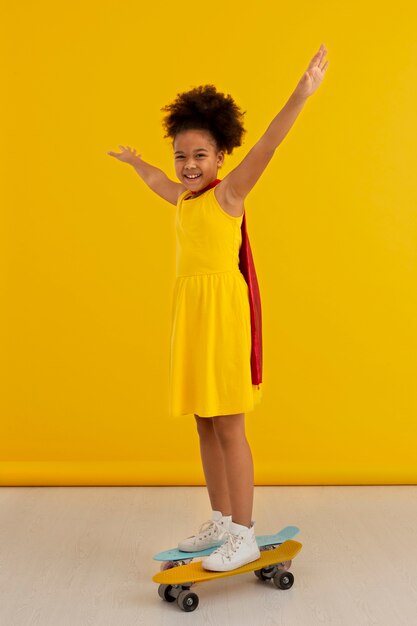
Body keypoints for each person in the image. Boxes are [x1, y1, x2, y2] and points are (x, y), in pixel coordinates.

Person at [108, 44, 329, 571]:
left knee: (229, 424)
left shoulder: (229, 196)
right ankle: (223, 521)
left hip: (223, 320)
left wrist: (300, 94)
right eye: (181, 155)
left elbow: (269, 146)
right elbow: (156, 182)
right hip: (192, 320)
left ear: (221, 158)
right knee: (204, 421)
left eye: (199, 155)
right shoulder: (184, 199)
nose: (187, 166)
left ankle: (246, 534)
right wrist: (138, 161)